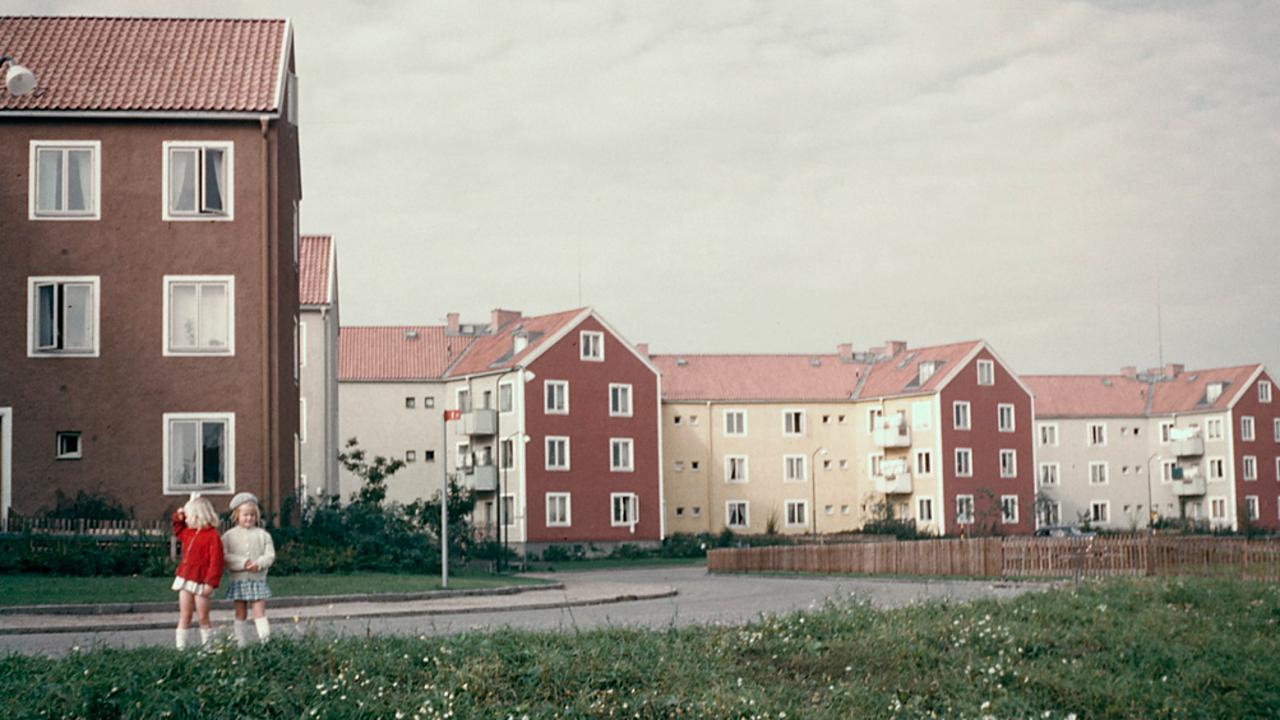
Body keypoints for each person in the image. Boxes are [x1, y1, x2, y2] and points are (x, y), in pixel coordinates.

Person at [222, 492, 276, 646]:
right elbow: (225, 556)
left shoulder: (263, 535)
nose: (249, 518)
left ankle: (266, 642)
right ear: (237, 515)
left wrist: (258, 564)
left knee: (259, 612)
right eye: (245, 515)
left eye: (252, 515)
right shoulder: (228, 536)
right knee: (240, 613)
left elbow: (270, 555)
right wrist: (242, 563)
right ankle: (241, 644)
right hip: (238, 580)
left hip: (257, 580)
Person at [171, 494, 225, 649]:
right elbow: (177, 527)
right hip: (185, 578)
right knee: (185, 615)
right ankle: (181, 649)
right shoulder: (188, 533)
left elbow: (216, 562)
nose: (185, 518)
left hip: (202, 582)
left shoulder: (212, 536)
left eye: (187, 515)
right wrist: (178, 514)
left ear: (196, 515)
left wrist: (211, 583)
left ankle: (208, 648)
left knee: (203, 617)